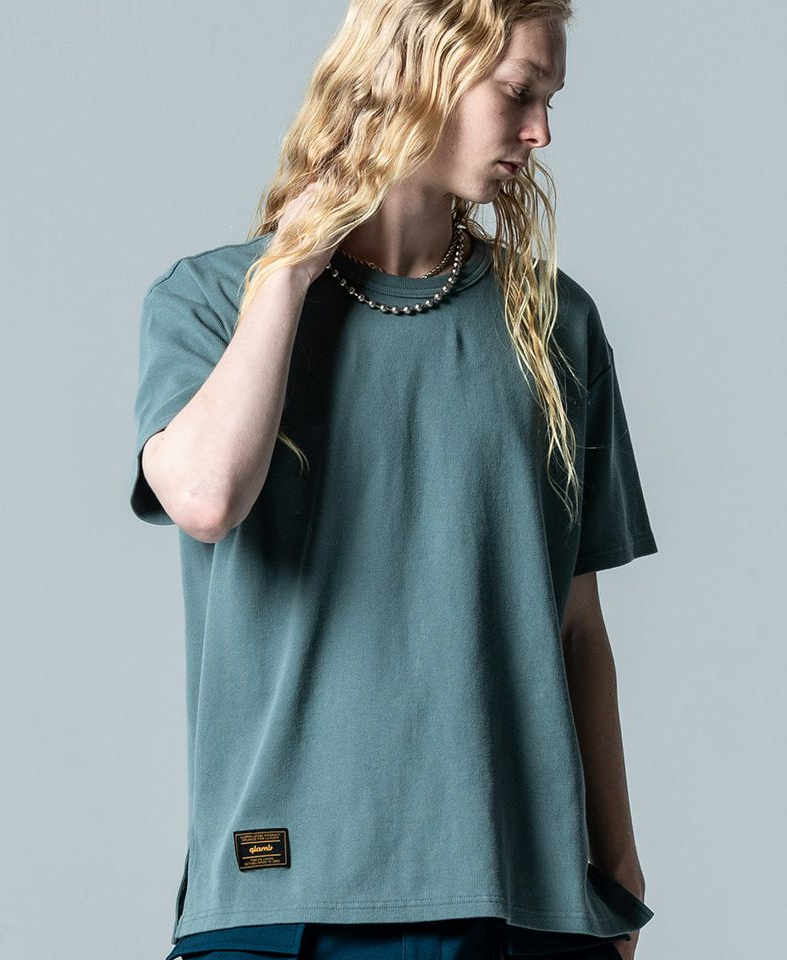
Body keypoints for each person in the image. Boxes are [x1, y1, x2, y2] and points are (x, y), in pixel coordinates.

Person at [129, 2, 659, 959]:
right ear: (422, 73)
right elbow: (205, 498)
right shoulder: (207, 301)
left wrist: (620, 878)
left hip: (523, 905)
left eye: (549, 99)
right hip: (279, 901)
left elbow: (579, 626)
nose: (541, 132)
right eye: (520, 93)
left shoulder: (556, 323)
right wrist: (290, 269)